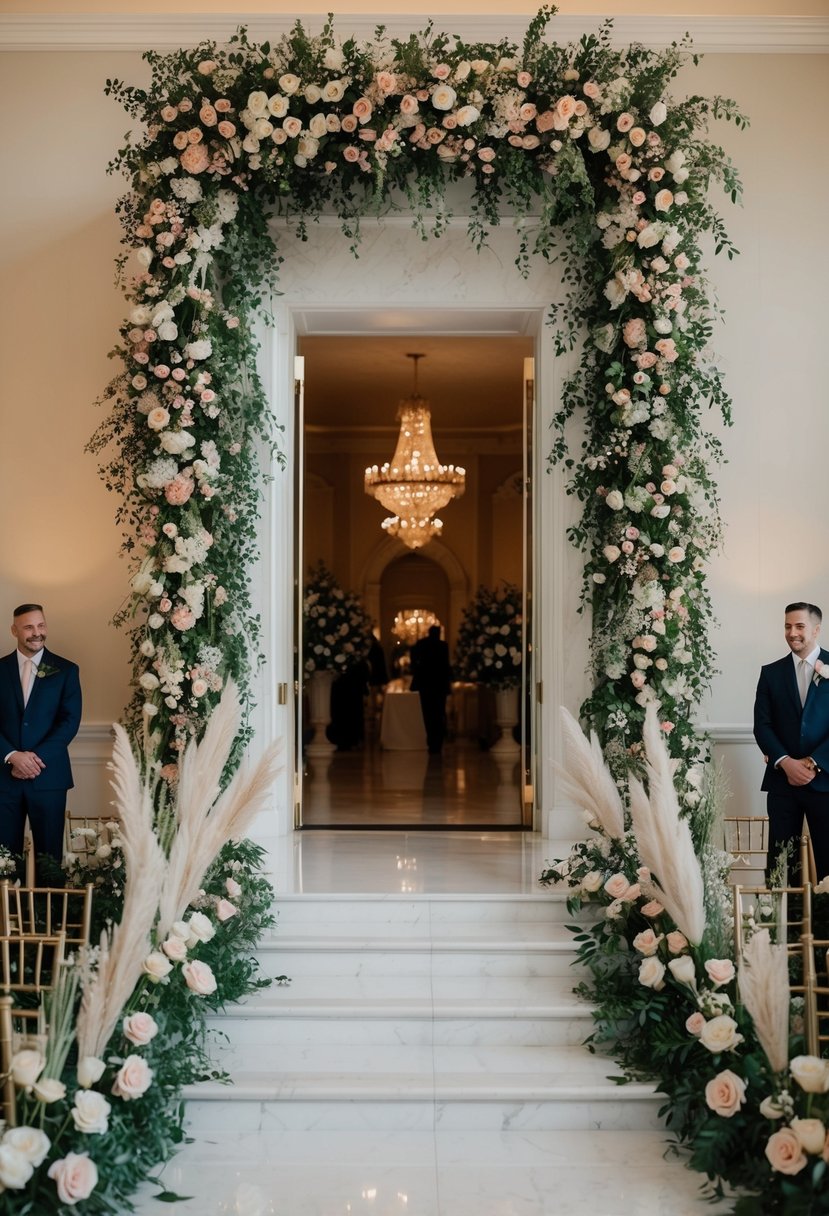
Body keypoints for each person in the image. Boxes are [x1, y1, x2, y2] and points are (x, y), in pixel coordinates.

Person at [0, 604, 82, 875]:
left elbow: (69, 722)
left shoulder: (66, 670)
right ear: (14, 630)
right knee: (4, 858)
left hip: (48, 777)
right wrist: (12, 756)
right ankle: (8, 916)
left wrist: (34, 759)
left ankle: (51, 917)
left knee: (49, 858)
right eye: (28, 627)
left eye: (41, 625)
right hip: (4, 777)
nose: (37, 633)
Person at [753, 601, 829, 882]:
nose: (792, 632)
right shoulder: (770, 673)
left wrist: (812, 762)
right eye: (787, 626)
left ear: (816, 629)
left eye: (800, 626)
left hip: (825, 781)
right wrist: (785, 762)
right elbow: (762, 725)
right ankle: (783, 924)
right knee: (781, 863)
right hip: (782, 783)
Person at [410, 624, 452, 755]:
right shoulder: (443, 646)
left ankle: (431, 740)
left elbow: (413, 659)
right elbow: (446, 666)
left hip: (426, 685)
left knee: (428, 713)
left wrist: (417, 670)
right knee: (439, 713)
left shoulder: (421, 644)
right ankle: (437, 742)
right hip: (439, 685)